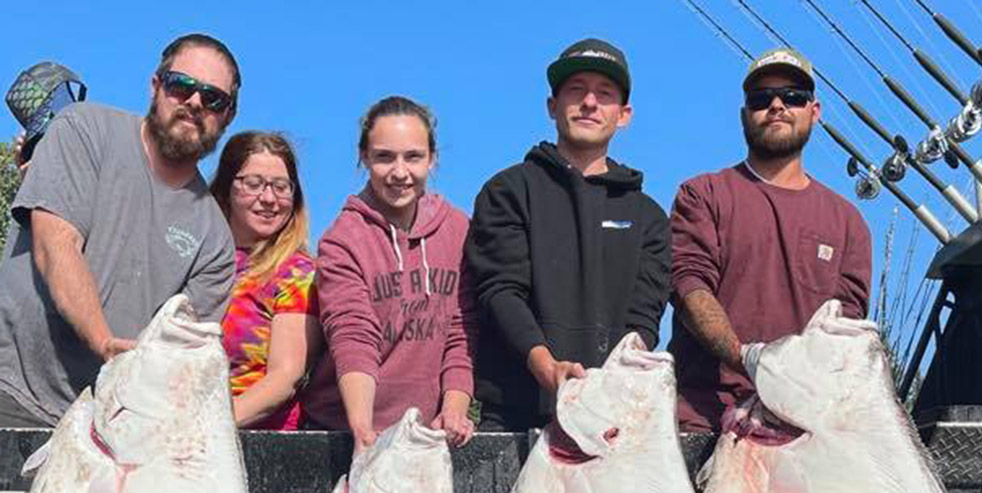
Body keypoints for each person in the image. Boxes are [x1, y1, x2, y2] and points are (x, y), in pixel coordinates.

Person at [0, 33, 240, 427]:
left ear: (227, 116)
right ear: (156, 86)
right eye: (182, 86)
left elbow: (179, 353)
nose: (195, 102)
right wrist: (103, 343)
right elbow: (56, 244)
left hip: (108, 428)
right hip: (11, 390)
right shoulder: (84, 129)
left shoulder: (215, 242)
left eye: (213, 98)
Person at [464, 38, 671, 431]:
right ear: (552, 106)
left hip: (612, 423)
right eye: (576, 90)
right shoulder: (507, 191)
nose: (589, 102)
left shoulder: (649, 217)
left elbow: (645, 317)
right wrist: (545, 366)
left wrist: (609, 386)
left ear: (624, 114)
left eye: (604, 93)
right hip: (512, 419)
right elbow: (500, 290)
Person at [669, 47, 872, 433]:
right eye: (761, 99)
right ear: (745, 114)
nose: (777, 105)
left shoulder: (849, 222)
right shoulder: (702, 195)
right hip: (705, 421)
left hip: (803, 427)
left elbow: (844, 331)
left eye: (793, 97)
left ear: (815, 111)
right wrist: (747, 358)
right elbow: (689, 286)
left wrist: (788, 391)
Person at [302, 96, 476, 452]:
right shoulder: (342, 239)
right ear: (364, 157)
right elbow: (353, 334)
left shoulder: (458, 230)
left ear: (432, 158)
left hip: (421, 437)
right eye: (384, 157)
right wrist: (362, 430)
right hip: (343, 432)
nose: (400, 172)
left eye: (413, 156)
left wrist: (454, 410)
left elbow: (460, 333)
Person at [210, 132, 322, 429]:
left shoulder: (297, 273)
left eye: (281, 187)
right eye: (254, 184)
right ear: (225, 188)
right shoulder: (194, 258)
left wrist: (209, 427)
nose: (269, 198)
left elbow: (284, 378)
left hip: (255, 444)